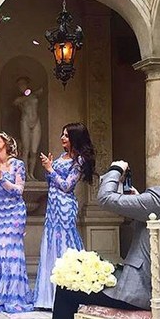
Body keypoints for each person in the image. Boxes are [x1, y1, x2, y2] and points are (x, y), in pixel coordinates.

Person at [23, 143, 160, 319]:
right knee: (107, 285)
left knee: (67, 288)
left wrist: (116, 169)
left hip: (143, 293)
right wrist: (138, 201)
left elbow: (105, 198)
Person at [33, 122, 96, 309]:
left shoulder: (79, 161)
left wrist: (51, 169)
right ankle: (48, 297)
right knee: (51, 243)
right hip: (53, 207)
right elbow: (53, 183)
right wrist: (49, 170)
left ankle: (70, 295)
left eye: (67, 135)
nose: (62, 138)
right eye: (62, 134)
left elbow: (67, 186)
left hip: (65, 207)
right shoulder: (62, 156)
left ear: (75, 138)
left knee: (65, 246)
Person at [0, 132, 34, 312]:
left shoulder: (17, 164)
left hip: (14, 213)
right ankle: (2, 293)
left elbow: (19, 190)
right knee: (1, 253)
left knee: (13, 252)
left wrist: (2, 179)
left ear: (6, 143)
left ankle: (15, 294)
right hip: (0, 213)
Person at [13, 77, 43, 181]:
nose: (21, 87)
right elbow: (15, 102)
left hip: (36, 122)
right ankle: (25, 174)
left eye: (23, 84)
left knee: (34, 151)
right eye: (19, 85)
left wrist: (32, 94)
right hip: (25, 121)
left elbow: (42, 90)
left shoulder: (34, 95)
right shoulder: (20, 98)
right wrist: (30, 95)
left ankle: (31, 173)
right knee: (25, 149)